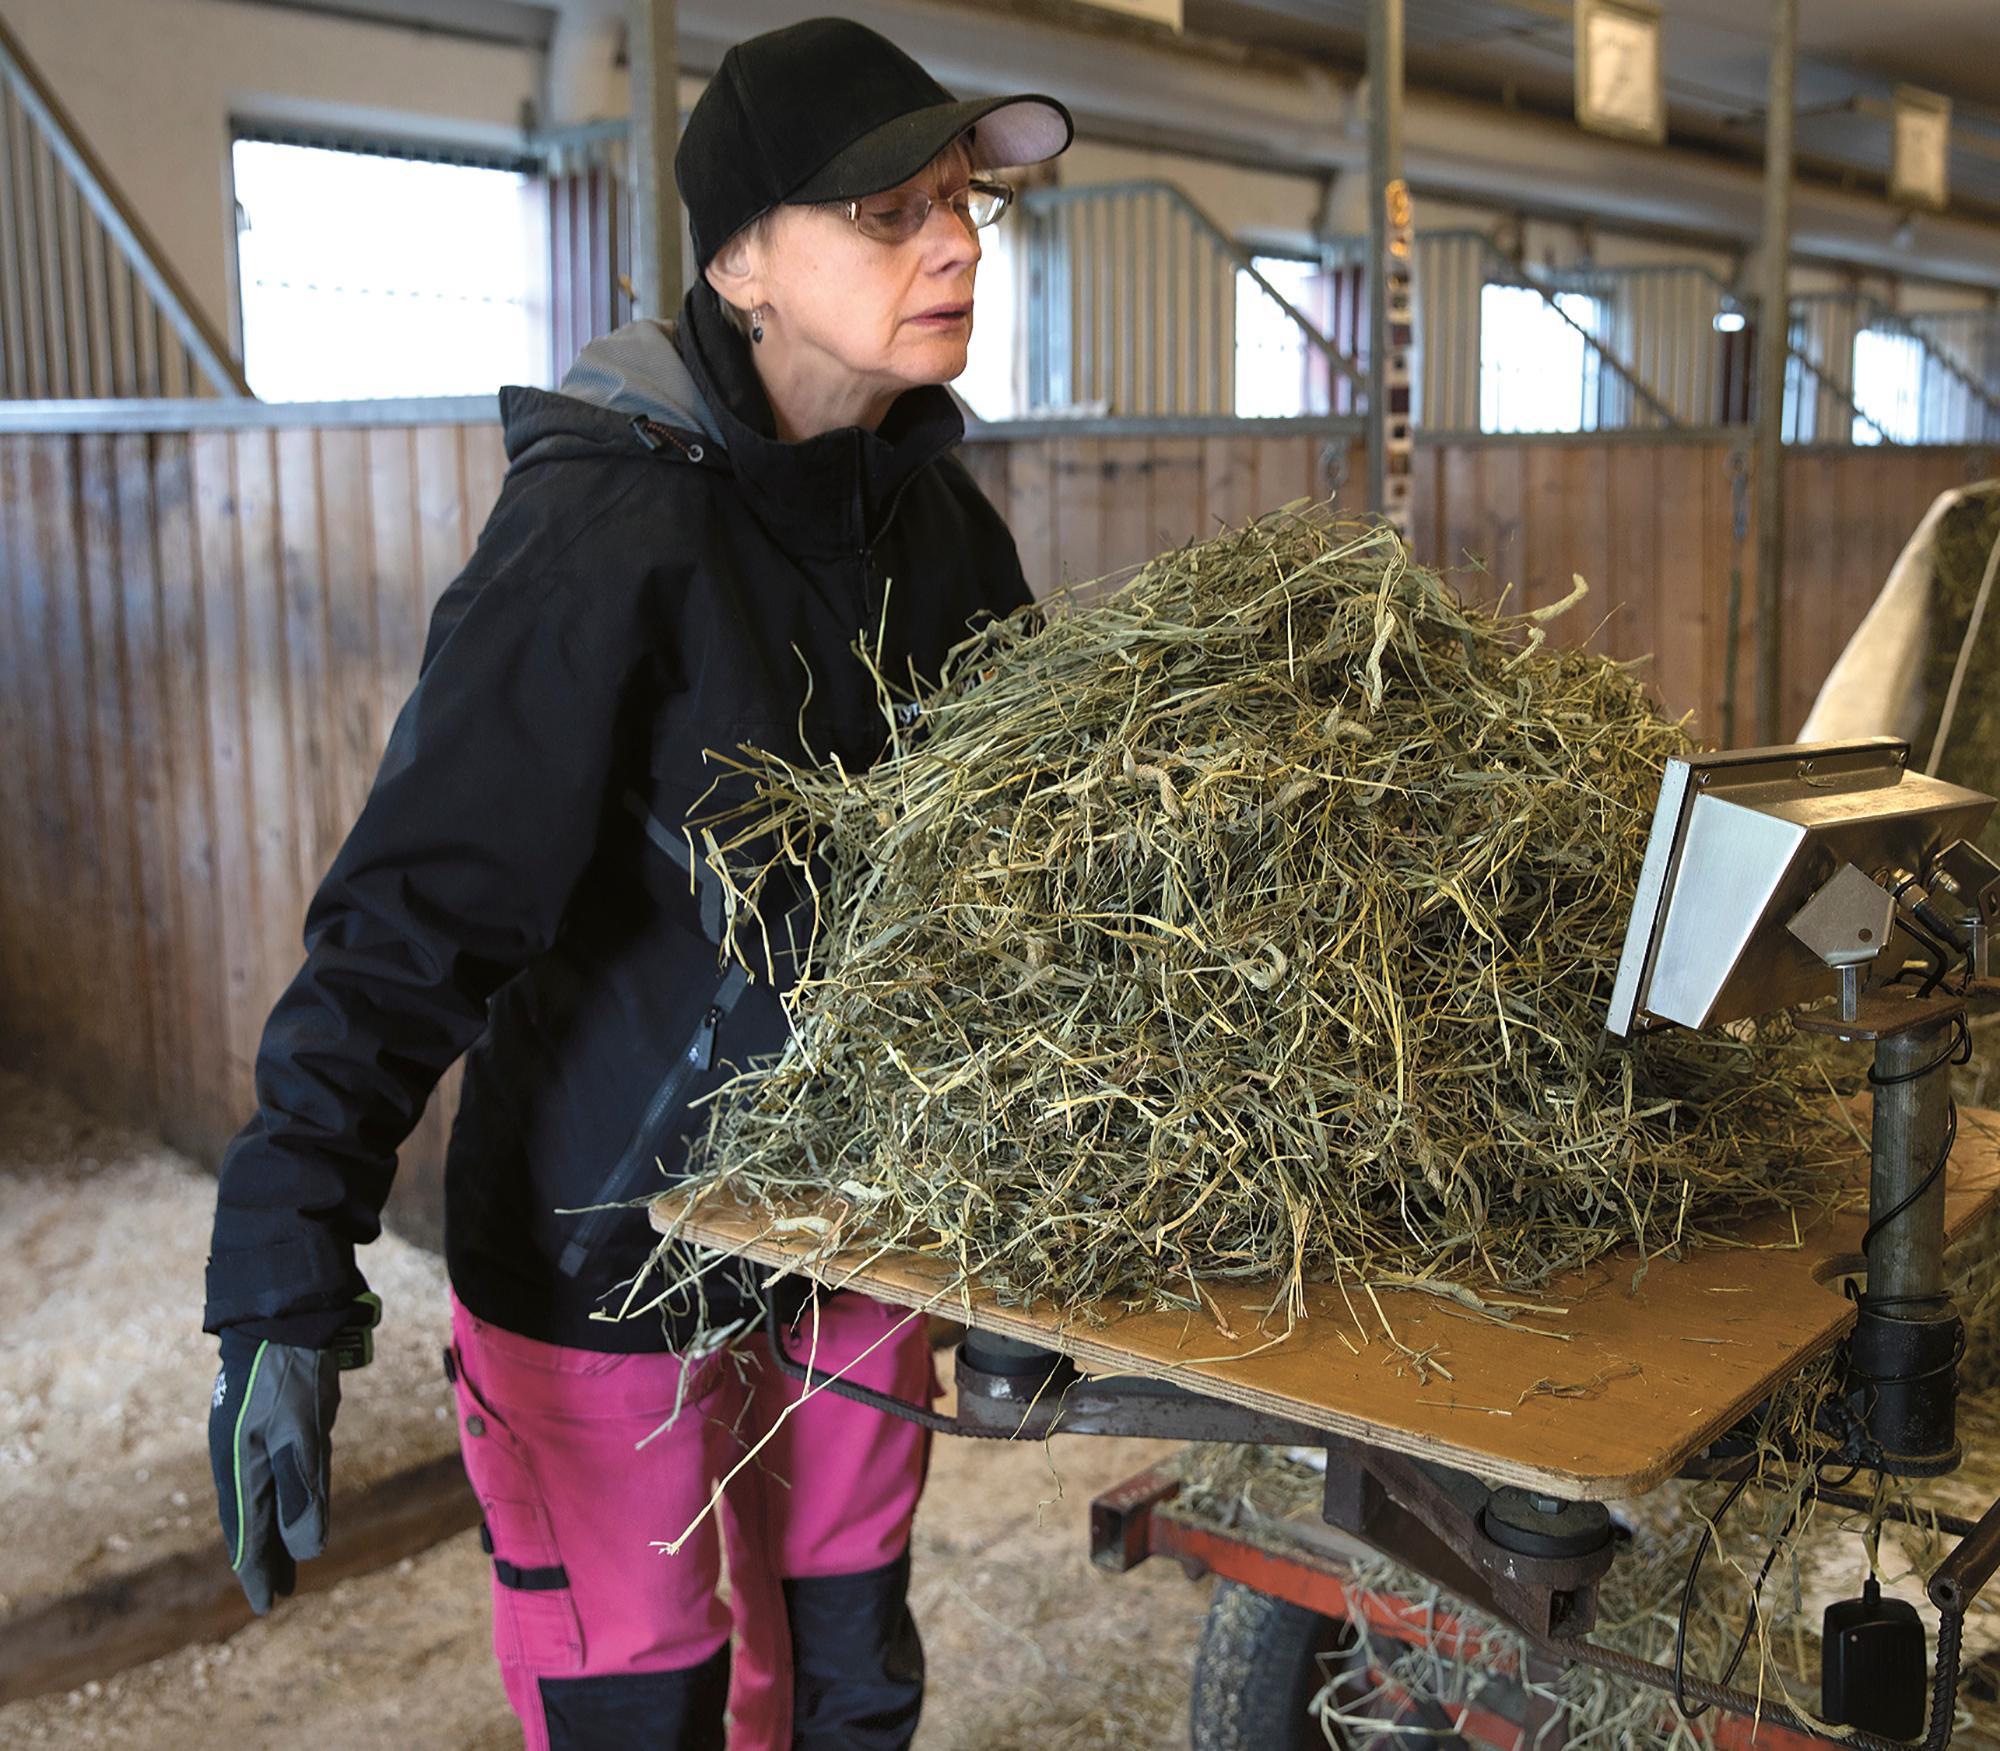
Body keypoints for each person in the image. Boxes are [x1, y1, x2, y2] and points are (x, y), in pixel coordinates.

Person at [201, 19, 1073, 1748]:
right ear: (745, 257)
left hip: (848, 1232)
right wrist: (276, 1261)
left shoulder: (945, 530)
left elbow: (1015, 898)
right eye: (891, 210)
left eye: (964, 203)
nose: (958, 242)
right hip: (611, 1240)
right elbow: (420, 904)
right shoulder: (606, 531)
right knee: (649, 1703)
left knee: (847, 1680)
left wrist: (1036, 1218)